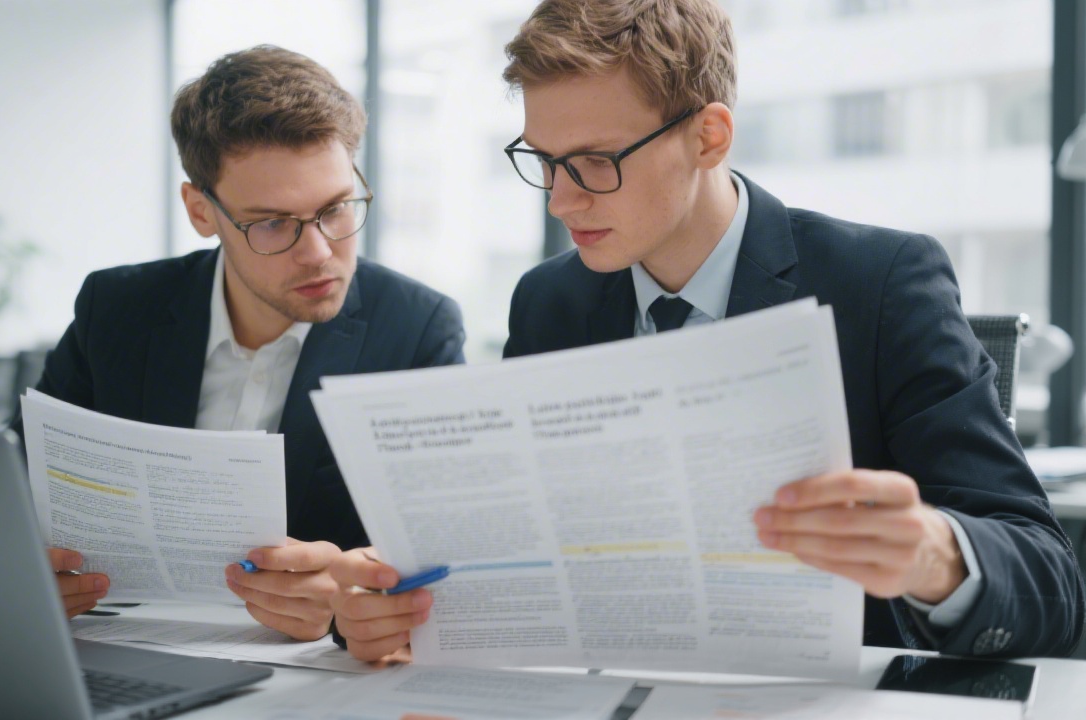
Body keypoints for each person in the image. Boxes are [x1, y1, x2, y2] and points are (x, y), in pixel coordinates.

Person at [330, 0, 1084, 661]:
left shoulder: (882, 281)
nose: (560, 202)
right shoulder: (548, 301)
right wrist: (384, 608)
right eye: (545, 161)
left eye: (594, 162)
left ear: (709, 137)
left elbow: (1050, 576)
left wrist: (935, 555)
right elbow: (517, 554)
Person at [20, 45, 465, 641]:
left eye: (335, 209)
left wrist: (347, 603)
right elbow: (16, 490)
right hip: (114, 648)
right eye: (273, 223)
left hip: (310, 679)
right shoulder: (118, 309)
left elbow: (442, 553)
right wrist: (28, 569)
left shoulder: (416, 329)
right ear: (201, 210)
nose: (318, 252)